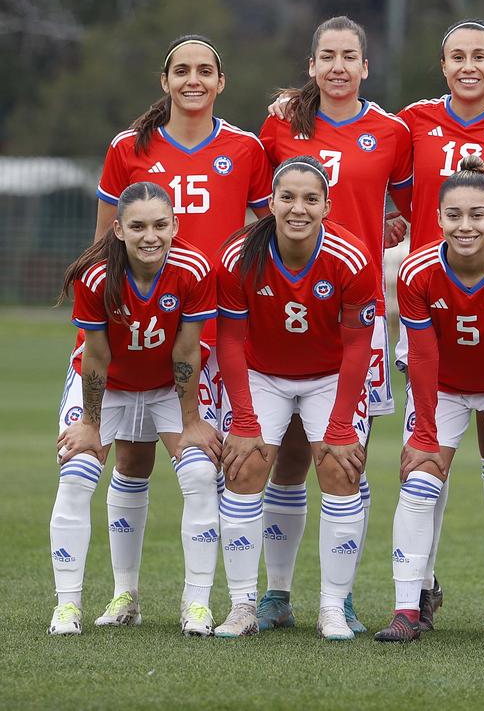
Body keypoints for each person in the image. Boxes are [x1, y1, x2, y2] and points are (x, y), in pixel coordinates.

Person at [89, 34, 272, 629]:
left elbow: (267, 241)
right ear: (164, 81)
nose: (193, 80)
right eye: (181, 71)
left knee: (205, 464)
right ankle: (125, 595)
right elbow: (101, 250)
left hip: (211, 333)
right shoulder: (128, 147)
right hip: (139, 330)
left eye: (205, 71)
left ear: (221, 83)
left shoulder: (244, 148)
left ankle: (210, 597)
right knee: (133, 461)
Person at [256, 15, 413, 634]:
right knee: (287, 456)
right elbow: (256, 204)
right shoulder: (281, 124)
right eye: (328, 56)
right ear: (312, 64)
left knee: (344, 455)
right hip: (283, 308)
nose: (339, 66)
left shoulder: (391, 132)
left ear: (366, 67)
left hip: (358, 314)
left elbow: (406, 209)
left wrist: (384, 231)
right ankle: (276, 594)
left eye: (351, 56)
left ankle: (339, 598)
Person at [374, 155, 484, 644]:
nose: (465, 225)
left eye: (477, 214)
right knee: (419, 483)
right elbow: (424, 355)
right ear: (437, 218)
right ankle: (407, 608)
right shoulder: (416, 271)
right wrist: (425, 435)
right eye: (454, 215)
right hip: (446, 387)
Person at [213, 156, 376, 640]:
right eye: (287, 197)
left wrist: (342, 424)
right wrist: (243, 419)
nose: (297, 208)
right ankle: (244, 605)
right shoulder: (239, 255)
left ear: (327, 205)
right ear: (270, 203)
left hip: (330, 376)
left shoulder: (352, 258)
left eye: (310, 199)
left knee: (339, 467)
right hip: (264, 374)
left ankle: (331, 605)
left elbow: (357, 348)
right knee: (244, 466)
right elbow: (228, 342)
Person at [48, 182, 219, 636]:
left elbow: (188, 352)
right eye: (139, 226)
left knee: (201, 472)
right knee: (77, 471)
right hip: (110, 386)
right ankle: (73, 605)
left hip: (168, 386)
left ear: (175, 226)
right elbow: (96, 356)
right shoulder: (97, 275)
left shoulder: (194, 268)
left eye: (161, 225)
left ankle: (197, 603)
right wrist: (90, 424)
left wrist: (191, 423)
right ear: (119, 229)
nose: (151, 236)